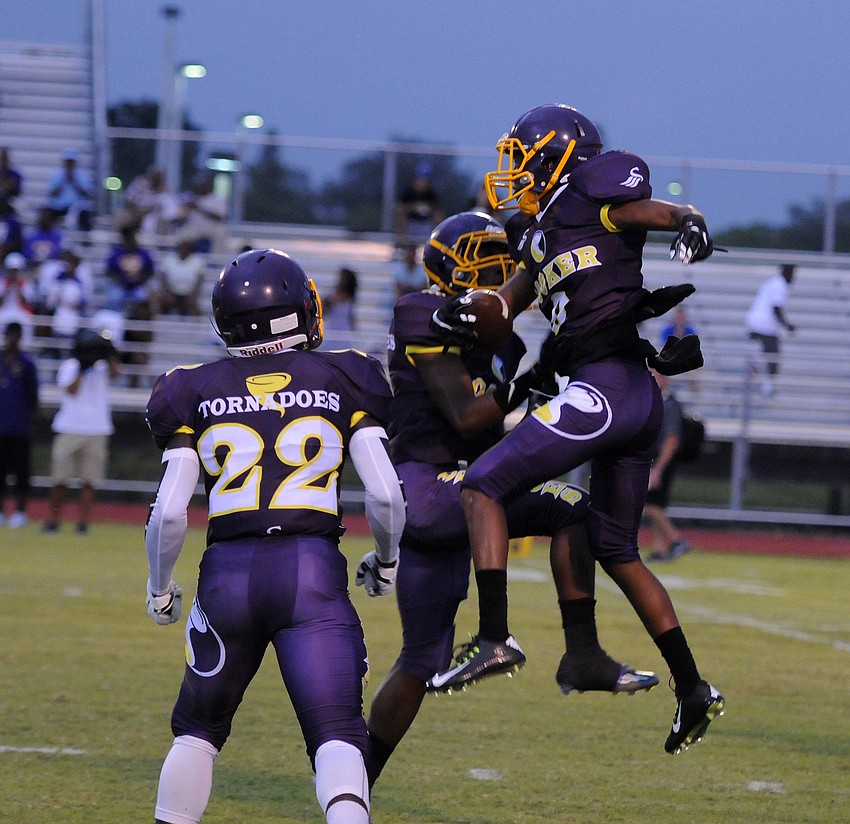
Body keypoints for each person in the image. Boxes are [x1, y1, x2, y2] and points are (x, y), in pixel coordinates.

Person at [427, 104, 724, 756]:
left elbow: (661, 214)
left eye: (522, 156)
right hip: (625, 396)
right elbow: (503, 309)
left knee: (482, 484)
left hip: (611, 387)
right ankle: (692, 688)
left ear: (557, 155)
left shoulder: (597, 188)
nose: (514, 170)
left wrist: (690, 222)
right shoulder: (538, 233)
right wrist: (460, 314)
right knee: (616, 548)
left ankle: (497, 635)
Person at [366, 211, 657, 788]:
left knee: (421, 662)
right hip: (426, 488)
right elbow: (468, 413)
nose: (500, 270)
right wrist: (531, 381)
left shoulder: (506, 338)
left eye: (502, 260)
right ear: (450, 265)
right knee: (567, 504)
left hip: (466, 496)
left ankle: (350, 782)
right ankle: (553, 647)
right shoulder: (419, 311)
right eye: (486, 259)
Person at [143, 248, 405, 824]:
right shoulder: (346, 374)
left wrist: (159, 588)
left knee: (196, 734)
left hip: (227, 577)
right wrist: (386, 563)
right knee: (336, 735)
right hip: (312, 573)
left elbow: (167, 513)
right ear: (296, 311)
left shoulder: (190, 387)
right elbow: (386, 494)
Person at [43, 328, 120, 534]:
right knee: (60, 479)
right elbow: (71, 390)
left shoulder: (103, 366)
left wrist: (108, 352)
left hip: (97, 428)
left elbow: (116, 372)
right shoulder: (70, 365)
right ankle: (53, 519)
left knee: (89, 480)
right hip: (69, 426)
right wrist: (83, 367)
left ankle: (83, 522)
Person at [644, 371, 691, 561]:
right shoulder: (659, 403)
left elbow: (671, 439)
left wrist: (658, 469)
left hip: (661, 461)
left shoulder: (670, 405)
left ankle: (676, 539)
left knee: (649, 504)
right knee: (656, 504)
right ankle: (659, 549)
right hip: (657, 460)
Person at [0, 322, 38, 528]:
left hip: (19, 427)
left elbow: (33, 397)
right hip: (1, 426)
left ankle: (20, 511)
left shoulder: (26, 363)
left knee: (21, 472)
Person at [745, 263, 796, 396]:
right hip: (765, 325)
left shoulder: (773, 282)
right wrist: (788, 325)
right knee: (773, 358)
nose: (794, 277)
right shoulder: (780, 285)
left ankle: (757, 366)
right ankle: (767, 387)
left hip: (756, 322)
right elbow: (776, 309)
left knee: (768, 355)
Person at [104, 227, 156, 313]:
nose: (131, 242)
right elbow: (109, 271)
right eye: (128, 240)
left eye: (132, 239)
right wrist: (119, 281)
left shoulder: (143, 253)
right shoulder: (116, 253)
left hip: (138, 286)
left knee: (142, 297)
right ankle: (116, 320)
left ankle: (139, 319)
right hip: (120, 286)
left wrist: (141, 280)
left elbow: (151, 271)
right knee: (114, 297)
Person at [393, 163, 444, 245]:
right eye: (420, 178)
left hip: (425, 224)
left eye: (425, 179)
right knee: (400, 215)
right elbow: (399, 208)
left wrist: (428, 208)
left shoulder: (431, 194)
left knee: (438, 216)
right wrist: (413, 208)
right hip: (410, 223)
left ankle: (438, 239)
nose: (422, 182)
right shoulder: (408, 193)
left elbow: (437, 211)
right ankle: (400, 242)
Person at [155, 235, 206, 316]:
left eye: (185, 247)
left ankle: (198, 326)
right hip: (171, 292)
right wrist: (167, 291)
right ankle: (157, 324)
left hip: (190, 294)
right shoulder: (169, 259)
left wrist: (194, 294)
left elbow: (200, 279)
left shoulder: (197, 261)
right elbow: (162, 277)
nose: (183, 249)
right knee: (159, 302)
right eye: (182, 247)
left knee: (196, 309)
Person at [44, 149, 94, 232]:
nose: (70, 164)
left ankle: (85, 241)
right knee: (46, 214)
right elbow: (52, 194)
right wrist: (64, 181)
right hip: (59, 207)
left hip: (77, 207)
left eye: (71, 162)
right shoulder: (56, 175)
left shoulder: (83, 175)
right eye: (68, 161)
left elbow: (86, 194)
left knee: (85, 215)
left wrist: (74, 182)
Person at [176, 174, 227, 254]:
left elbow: (220, 218)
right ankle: (183, 260)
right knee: (183, 234)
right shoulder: (191, 198)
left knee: (221, 233)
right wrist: (187, 208)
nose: (200, 187)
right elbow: (180, 218)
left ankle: (216, 262)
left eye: (203, 185)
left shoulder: (217, 199)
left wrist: (199, 209)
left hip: (212, 228)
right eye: (199, 185)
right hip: (195, 228)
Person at [321, 266, 358, 348]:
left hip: (345, 333)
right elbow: (322, 311)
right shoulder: (331, 295)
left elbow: (351, 318)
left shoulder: (351, 298)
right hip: (332, 332)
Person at [0, 147, 23, 215]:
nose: (3, 160)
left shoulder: (15, 175)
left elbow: (17, 192)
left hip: (10, 202)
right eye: (2, 158)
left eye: (5, 158)